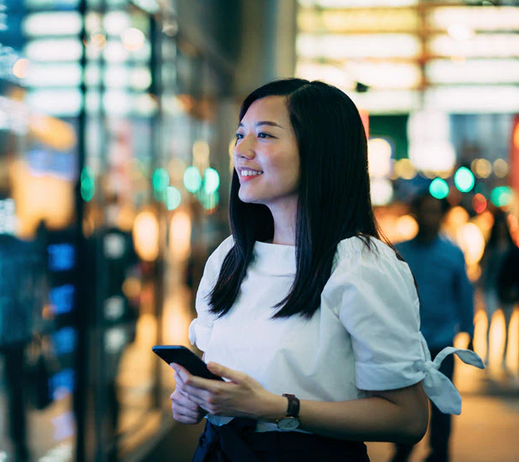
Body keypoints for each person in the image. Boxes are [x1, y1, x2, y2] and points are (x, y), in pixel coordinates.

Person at [169, 78, 483, 462]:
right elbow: (215, 373)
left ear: (320, 152)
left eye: (265, 135)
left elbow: (409, 418)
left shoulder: (360, 264)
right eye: (240, 134)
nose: (242, 151)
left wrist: (279, 407)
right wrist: (193, 399)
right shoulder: (230, 256)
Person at [390, 193, 475, 462]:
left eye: (435, 211)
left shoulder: (452, 253)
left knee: (442, 408)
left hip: (441, 345)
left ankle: (439, 455)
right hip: (408, 345)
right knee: (403, 406)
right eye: (426, 211)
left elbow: (464, 294)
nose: (431, 217)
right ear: (415, 214)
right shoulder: (399, 251)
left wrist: (470, 331)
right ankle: (401, 453)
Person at [481, 209, 518, 369]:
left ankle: (503, 358)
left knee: (508, 325)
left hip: (507, 290)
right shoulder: (491, 246)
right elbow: (484, 267)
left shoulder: (512, 249)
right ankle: (489, 356)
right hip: (491, 288)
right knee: (490, 322)